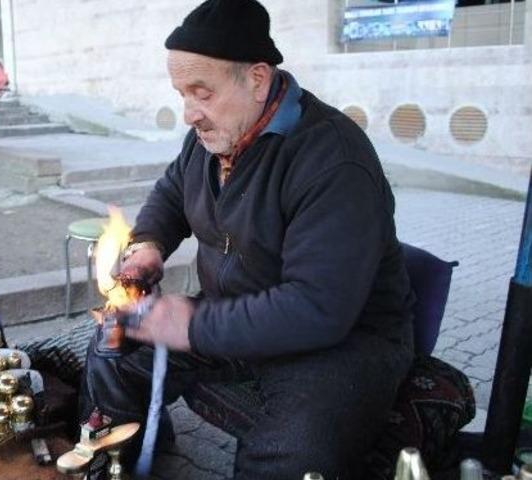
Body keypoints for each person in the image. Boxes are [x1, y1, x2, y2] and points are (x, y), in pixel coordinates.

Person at [79, 0, 415, 478]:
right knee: (111, 352)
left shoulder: (333, 159)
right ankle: (119, 459)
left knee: (289, 455)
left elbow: (317, 309)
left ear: (257, 79)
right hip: (234, 314)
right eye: (182, 94)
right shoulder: (211, 133)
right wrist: (150, 244)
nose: (189, 114)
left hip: (337, 344)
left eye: (202, 92)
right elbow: (173, 192)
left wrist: (191, 324)